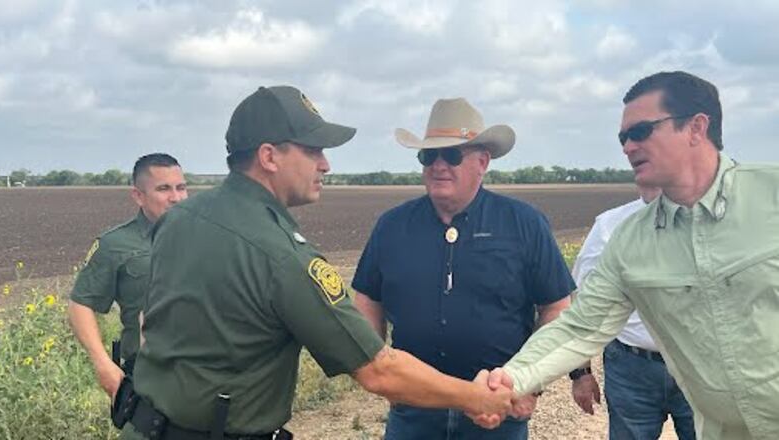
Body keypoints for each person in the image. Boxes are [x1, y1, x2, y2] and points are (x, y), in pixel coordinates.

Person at [119, 86, 512, 440]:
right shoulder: (284, 255)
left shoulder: (179, 218)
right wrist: (475, 397)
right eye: (313, 150)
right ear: (269, 156)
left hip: (143, 426)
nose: (325, 164)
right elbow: (379, 370)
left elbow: (148, 321)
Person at [475, 71, 779, 439]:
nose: (627, 147)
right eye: (623, 137)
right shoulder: (630, 241)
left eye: (640, 132)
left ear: (697, 127)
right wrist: (512, 377)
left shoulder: (771, 195)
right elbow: (581, 326)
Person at [352, 97, 584, 439]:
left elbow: (556, 307)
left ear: (483, 161)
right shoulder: (391, 226)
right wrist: (381, 371)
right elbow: (367, 299)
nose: (439, 165)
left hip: (499, 411)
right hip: (414, 411)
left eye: (452, 155)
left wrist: (530, 384)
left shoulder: (524, 224)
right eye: (429, 156)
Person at [571, 183, 696, 439]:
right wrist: (580, 373)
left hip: (698, 366)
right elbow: (581, 304)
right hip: (631, 369)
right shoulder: (609, 226)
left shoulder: (710, 224)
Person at [69, 153, 188, 400]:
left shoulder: (207, 236)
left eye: (181, 188)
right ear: (138, 196)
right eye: (164, 189)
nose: (176, 198)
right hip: (145, 375)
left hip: (205, 373)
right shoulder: (116, 244)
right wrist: (102, 363)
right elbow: (81, 303)